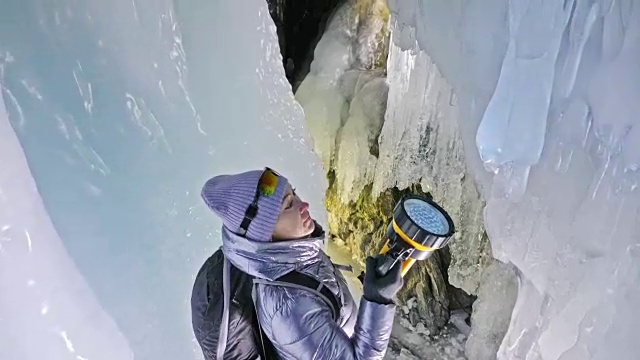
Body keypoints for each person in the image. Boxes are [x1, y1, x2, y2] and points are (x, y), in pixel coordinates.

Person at [193, 167, 403, 359]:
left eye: (294, 193)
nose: (303, 205)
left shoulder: (292, 252)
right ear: (265, 234)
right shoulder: (289, 306)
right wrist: (377, 301)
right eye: (288, 206)